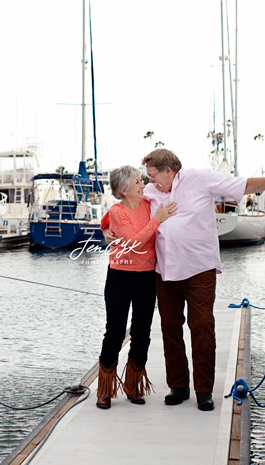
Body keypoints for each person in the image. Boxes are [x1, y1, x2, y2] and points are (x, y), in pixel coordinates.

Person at [140, 148, 265, 411]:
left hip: (199, 268)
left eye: (153, 175)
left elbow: (242, 185)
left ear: (169, 170)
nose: (149, 181)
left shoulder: (199, 179)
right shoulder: (151, 192)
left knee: (202, 326)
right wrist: (111, 227)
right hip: (165, 270)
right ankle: (178, 386)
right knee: (170, 327)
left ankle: (204, 390)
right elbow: (131, 209)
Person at [96, 165, 177, 409]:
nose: (143, 184)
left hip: (145, 277)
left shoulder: (148, 203)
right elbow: (133, 241)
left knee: (142, 332)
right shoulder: (118, 211)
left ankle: (133, 386)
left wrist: (104, 228)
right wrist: (157, 220)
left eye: (142, 181)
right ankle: (105, 389)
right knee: (115, 331)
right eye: (137, 182)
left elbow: (166, 189)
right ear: (123, 189)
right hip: (120, 277)